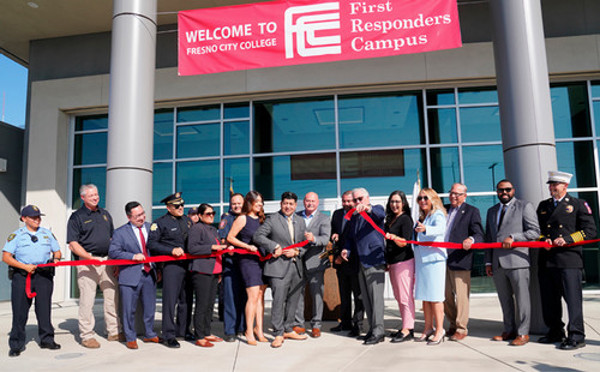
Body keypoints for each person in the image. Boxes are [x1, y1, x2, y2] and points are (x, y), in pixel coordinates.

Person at [537, 171, 597, 350]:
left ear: (565, 186)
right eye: (550, 185)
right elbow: (537, 230)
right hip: (547, 259)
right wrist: (543, 240)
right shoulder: (543, 205)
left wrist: (568, 239)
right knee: (550, 299)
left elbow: (590, 231)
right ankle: (555, 331)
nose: (551, 188)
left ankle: (577, 336)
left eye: (555, 185)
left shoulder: (578, 204)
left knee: (573, 300)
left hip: (569, 259)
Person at [485, 179, 540, 346]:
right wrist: (488, 262)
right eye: (501, 190)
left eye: (507, 189)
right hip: (497, 263)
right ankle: (508, 330)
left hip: (518, 260)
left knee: (522, 300)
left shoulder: (524, 206)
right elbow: (489, 238)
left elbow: (535, 232)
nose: (504, 193)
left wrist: (515, 237)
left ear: (513, 190)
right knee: (505, 300)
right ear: (497, 192)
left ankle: (523, 333)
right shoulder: (491, 211)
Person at [3, 205, 62, 357]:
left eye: (38, 217)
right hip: (22, 276)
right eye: (33, 217)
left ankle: (47, 339)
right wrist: (24, 266)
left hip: (43, 276)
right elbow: (6, 257)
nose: (37, 220)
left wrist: (55, 259)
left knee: (44, 309)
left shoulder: (47, 234)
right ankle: (16, 344)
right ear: (24, 219)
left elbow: (57, 251)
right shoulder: (16, 236)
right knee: (20, 311)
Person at [67, 184, 120, 348]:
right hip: (87, 263)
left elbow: (112, 238)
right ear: (83, 197)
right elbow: (73, 243)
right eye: (91, 195)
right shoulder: (76, 217)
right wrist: (89, 257)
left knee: (112, 298)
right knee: (87, 301)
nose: (96, 197)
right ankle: (87, 335)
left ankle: (113, 331)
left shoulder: (105, 214)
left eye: (96, 194)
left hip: (107, 262)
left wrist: (114, 258)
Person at [253, 191, 307, 348]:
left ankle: (288, 329)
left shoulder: (300, 221)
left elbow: (304, 243)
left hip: (296, 267)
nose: (288, 206)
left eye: (291, 204)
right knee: (278, 301)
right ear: (281, 204)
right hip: (278, 267)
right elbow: (258, 236)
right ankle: (278, 333)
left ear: (296, 205)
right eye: (285, 203)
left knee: (293, 301)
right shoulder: (272, 219)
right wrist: (274, 246)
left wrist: (297, 252)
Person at [108, 201, 159, 350]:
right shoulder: (120, 232)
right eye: (137, 216)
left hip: (150, 273)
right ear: (129, 217)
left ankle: (150, 333)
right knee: (128, 309)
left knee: (150, 307)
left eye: (143, 214)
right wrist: (132, 256)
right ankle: (130, 337)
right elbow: (113, 252)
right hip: (130, 275)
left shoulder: (151, 228)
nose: (142, 218)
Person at [341, 187, 386, 345]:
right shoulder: (354, 217)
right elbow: (351, 238)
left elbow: (380, 214)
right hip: (359, 261)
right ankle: (373, 329)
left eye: (360, 199)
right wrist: (347, 249)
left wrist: (367, 208)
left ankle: (379, 331)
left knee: (376, 298)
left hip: (374, 260)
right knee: (366, 299)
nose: (357, 202)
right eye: (355, 200)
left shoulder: (377, 209)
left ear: (367, 198)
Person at [147, 192, 192, 348]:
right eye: (177, 206)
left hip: (188, 265)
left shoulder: (187, 221)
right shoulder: (160, 223)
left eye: (182, 205)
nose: (181, 208)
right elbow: (152, 244)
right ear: (168, 207)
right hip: (171, 266)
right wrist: (170, 250)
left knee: (186, 300)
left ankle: (184, 330)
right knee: (170, 301)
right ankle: (168, 335)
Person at [443, 183, 484, 341]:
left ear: (465, 196)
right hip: (442, 260)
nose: (454, 196)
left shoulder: (472, 211)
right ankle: (452, 323)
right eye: (452, 193)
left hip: (460, 259)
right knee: (445, 295)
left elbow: (479, 234)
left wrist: (471, 239)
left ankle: (461, 328)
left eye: (458, 194)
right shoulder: (443, 210)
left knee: (461, 296)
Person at [227, 191, 268, 345]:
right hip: (248, 260)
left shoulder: (262, 219)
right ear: (250, 202)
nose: (260, 204)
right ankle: (249, 331)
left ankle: (259, 329)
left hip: (262, 260)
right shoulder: (242, 218)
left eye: (261, 202)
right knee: (252, 296)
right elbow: (231, 237)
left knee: (260, 296)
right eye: (257, 202)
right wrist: (247, 246)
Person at [188, 203, 228, 347]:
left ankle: (206, 332)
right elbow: (192, 249)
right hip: (202, 270)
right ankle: (199, 335)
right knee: (202, 304)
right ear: (199, 216)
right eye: (207, 214)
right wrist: (212, 247)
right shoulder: (197, 228)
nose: (211, 216)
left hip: (214, 270)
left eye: (213, 213)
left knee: (210, 304)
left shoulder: (212, 229)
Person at [294, 191, 331, 338]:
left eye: (313, 201)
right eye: (307, 201)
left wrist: (313, 238)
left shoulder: (324, 218)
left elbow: (325, 238)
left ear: (317, 203)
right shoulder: (295, 216)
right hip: (297, 261)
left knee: (317, 295)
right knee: (298, 294)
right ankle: (299, 324)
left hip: (316, 263)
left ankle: (316, 325)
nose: (310, 203)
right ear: (304, 202)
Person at [414, 188, 447, 346]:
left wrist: (426, 229)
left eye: (425, 198)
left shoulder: (438, 214)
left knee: (435, 297)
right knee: (426, 298)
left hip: (434, 261)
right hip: (422, 261)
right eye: (420, 198)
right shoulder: (423, 216)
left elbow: (441, 230)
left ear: (432, 199)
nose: (422, 201)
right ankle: (428, 328)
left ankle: (440, 330)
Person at [330, 190, 364, 337]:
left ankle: (358, 325)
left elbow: (359, 239)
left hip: (354, 261)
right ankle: (345, 323)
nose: (346, 204)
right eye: (344, 201)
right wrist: (334, 238)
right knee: (343, 295)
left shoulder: (359, 214)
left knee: (358, 296)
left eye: (349, 201)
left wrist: (346, 254)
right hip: (340, 262)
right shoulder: (337, 214)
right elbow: (334, 234)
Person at [383, 190, 415, 343]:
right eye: (392, 201)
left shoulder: (406, 219)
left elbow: (404, 242)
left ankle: (408, 329)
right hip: (393, 263)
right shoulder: (390, 219)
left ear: (403, 203)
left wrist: (393, 236)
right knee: (398, 296)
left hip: (404, 262)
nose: (394, 204)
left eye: (397, 201)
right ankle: (406, 325)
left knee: (404, 296)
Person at [218, 193, 247, 342]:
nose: (236, 206)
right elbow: (222, 238)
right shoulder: (226, 218)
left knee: (244, 296)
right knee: (230, 297)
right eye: (234, 203)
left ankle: (242, 327)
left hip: (246, 262)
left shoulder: (247, 217)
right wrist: (227, 245)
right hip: (231, 263)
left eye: (239, 203)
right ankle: (230, 331)